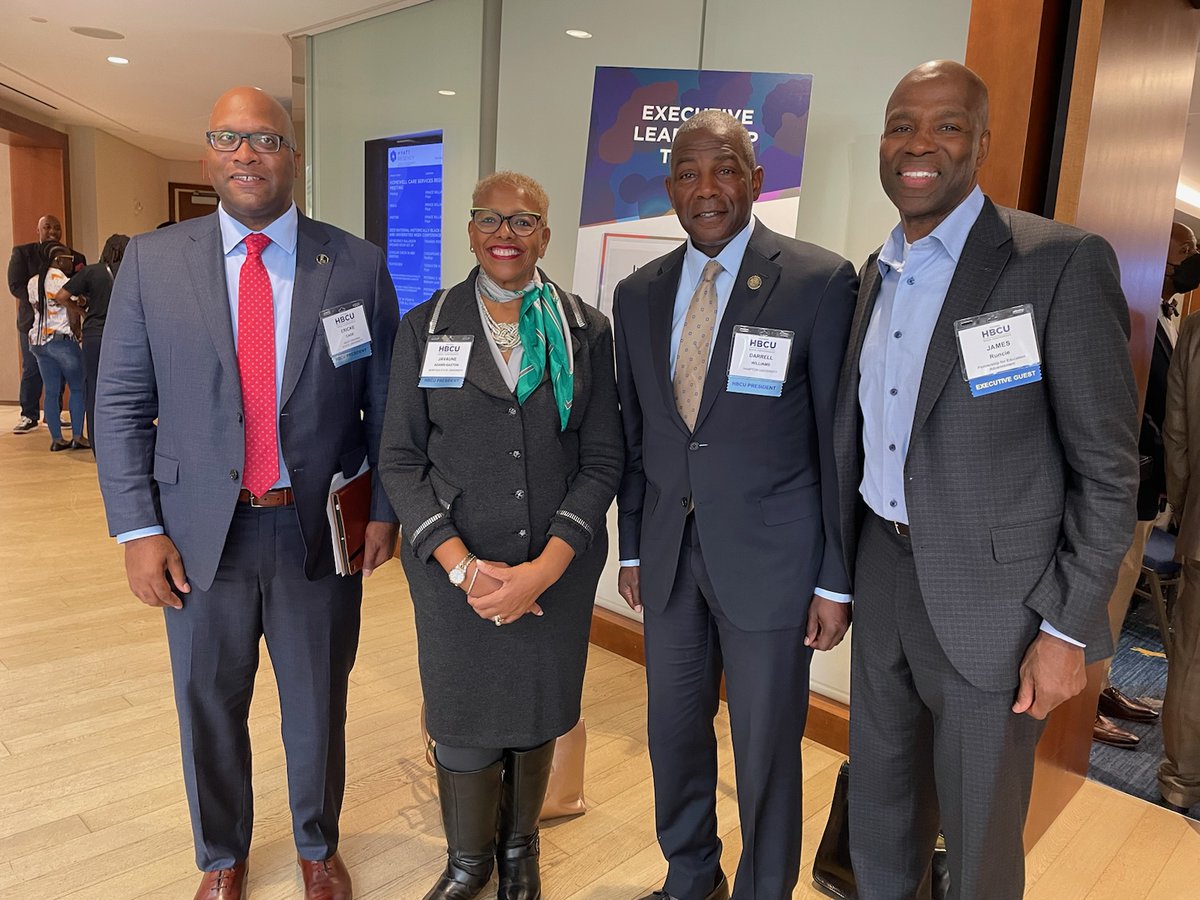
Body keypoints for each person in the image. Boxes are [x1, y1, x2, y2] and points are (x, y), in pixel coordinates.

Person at [833, 60, 1138, 899]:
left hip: (998, 610)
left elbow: (1108, 471)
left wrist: (1068, 631)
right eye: (901, 125)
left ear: (982, 142)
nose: (918, 144)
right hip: (885, 577)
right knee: (881, 814)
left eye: (946, 125)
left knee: (976, 843)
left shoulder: (1058, 263)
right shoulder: (876, 272)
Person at [95, 86, 400, 900]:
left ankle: (315, 847)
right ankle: (221, 856)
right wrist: (136, 530)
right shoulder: (156, 264)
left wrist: (387, 513)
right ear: (207, 156)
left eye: (264, 139)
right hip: (200, 535)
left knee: (317, 706)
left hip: (317, 534)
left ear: (293, 157)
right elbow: (120, 402)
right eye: (228, 138)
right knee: (209, 705)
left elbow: (387, 403)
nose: (246, 154)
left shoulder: (357, 263)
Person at [613, 110, 856, 900]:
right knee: (674, 736)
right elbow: (637, 431)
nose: (706, 188)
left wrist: (834, 577)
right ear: (670, 189)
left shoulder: (820, 282)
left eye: (725, 169)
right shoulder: (638, 294)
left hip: (774, 566)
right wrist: (635, 550)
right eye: (688, 173)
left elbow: (834, 441)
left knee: (765, 750)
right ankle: (691, 877)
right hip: (672, 561)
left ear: (756, 179)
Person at [378, 171, 622, 900]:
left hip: (558, 568)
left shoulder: (586, 329)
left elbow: (603, 457)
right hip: (453, 573)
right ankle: (467, 861)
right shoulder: (426, 326)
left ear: (545, 236)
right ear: (470, 231)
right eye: (490, 219)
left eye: (523, 222)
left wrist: (543, 569)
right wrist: (462, 570)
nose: (505, 234)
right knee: (461, 714)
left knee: (536, 709)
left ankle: (519, 851)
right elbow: (399, 457)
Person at [1094, 222, 1197, 748]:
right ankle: (1083, 701)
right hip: (1126, 476)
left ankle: (1103, 683)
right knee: (1108, 588)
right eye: (1184, 252)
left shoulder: (1169, 318)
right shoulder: (1130, 313)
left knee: (1122, 586)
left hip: (1147, 481)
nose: (1189, 262)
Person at [1160, 256, 1200, 817]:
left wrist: (1187, 506)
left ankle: (1181, 781)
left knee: (1192, 660)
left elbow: (1178, 437)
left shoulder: (1194, 330)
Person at [55, 233, 130, 454]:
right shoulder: (130, 272)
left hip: (95, 335)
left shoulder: (91, 271)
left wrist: (82, 311)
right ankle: (122, 443)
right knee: (125, 388)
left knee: (94, 387)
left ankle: (97, 445)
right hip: (124, 335)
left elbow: (61, 296)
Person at [8, 215, 84, 433]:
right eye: (47, 227)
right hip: (34, 323)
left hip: (62, 328)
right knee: (31, 370)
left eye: (57, 227)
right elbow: (15, 285)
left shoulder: (73, 256)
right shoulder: (23, 253)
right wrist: (42, 299)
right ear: (38, 229)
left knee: (56, 380)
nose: (52, 231)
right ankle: (28, 414)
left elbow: (81, 286)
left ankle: (54, 418)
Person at [26, 242, 87, 451]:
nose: (71, 263)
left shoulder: (33, 281)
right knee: (78, 387)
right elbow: (73, 306)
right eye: (68, 259)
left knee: (51, 392)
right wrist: (79, 326)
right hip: (61, 341)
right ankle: (78, 436)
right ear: (58, 260)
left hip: (39, 342)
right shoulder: (60, 279)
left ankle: (56, 440)